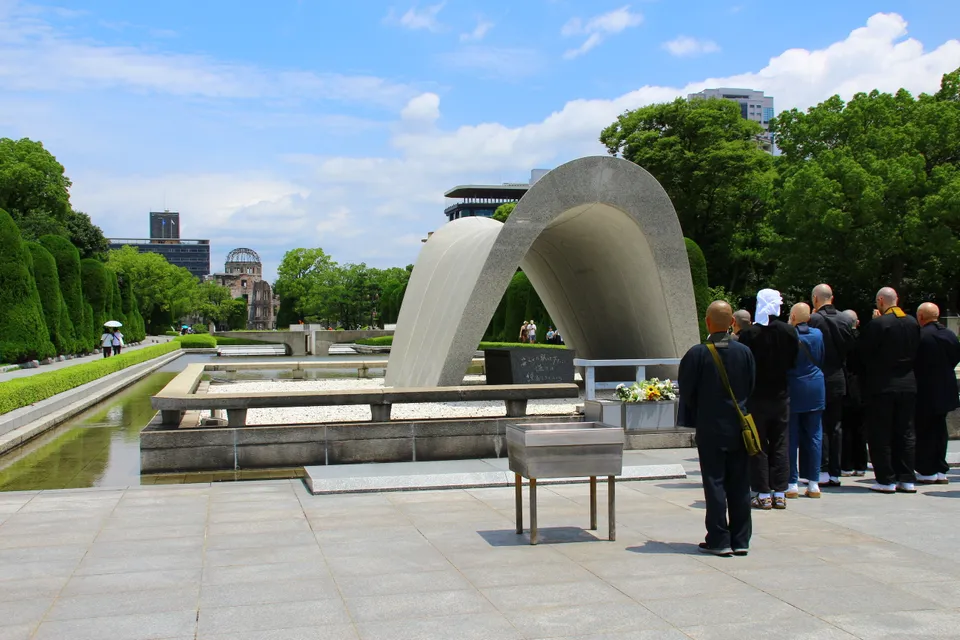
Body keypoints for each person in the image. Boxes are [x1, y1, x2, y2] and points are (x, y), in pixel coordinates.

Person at [678, 300, 755, 557]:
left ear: (707, 322)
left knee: (715, 483)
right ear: (732, 322)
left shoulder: (697, 354)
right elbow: (751, 387)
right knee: (740, 483)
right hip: (739, 427)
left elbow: (687, 391)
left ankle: (719, 538)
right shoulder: (744, 352)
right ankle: (741, 539)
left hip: (711, 427)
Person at [737, 289, 799, 510]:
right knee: (781, 442)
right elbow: (793, 362)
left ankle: (762, 491)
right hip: (781, 395)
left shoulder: (749, 335)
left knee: (758, 443)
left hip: (755, 396)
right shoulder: (789, 332)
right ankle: (780, 490)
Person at [858, 287, 921, 494]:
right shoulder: (912, 322)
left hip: (883, 384)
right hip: (908, 383)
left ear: (881, 301)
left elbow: (863, 353)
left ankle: (886, 479)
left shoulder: (879, 324)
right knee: (906, 432)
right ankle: (907, 477)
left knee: (881, 433)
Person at [808, 284, 856, 488]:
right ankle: (836, 471)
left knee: (819, 425)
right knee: (836, 426)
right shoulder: (845, 319)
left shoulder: (814, 320)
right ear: (832, 298)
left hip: (818, 376)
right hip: (838, 376)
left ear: (815, 299)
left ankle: (822, 468)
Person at [914, 302, 960, 484]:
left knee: (924, 430)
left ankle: (927, 469)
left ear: (921, 317)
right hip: (946, 388)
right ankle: (941, 467)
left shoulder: (921, 336)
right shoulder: (949, 335)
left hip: (925, 389)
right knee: (941, 430)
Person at [786, 303, 826, 499]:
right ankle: (813, 483)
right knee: (815, 435)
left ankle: (792, 482)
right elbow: (822, 357)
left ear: (793, 316)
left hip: (794, 386)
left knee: (791, 436)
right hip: (816, 386)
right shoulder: (818, 334)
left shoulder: (789, 335)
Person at [840, 310, 868, 477]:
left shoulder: (842, 339)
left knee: (846, 427)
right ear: (857, 323)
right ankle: (861, 464)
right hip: (862, 385)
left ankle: (846, 464)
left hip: (846, 384)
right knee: (861, 428)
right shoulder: (864, 338)